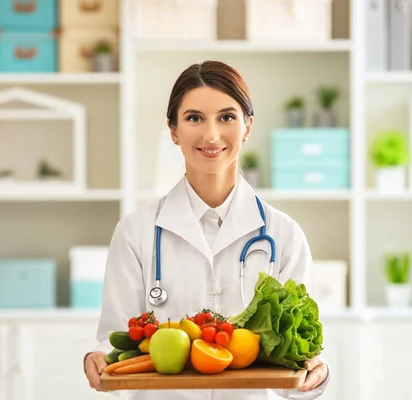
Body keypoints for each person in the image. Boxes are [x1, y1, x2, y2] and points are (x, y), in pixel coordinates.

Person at [83, 60, 330, 400]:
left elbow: (302, 359)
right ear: (173, 130)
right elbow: (114, 342)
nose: (211, 135)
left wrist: (317, 372)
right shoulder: (135, 233)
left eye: (227, 117)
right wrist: (98, 360)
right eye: (194, 118)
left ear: (247, 127)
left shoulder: (284, 235)